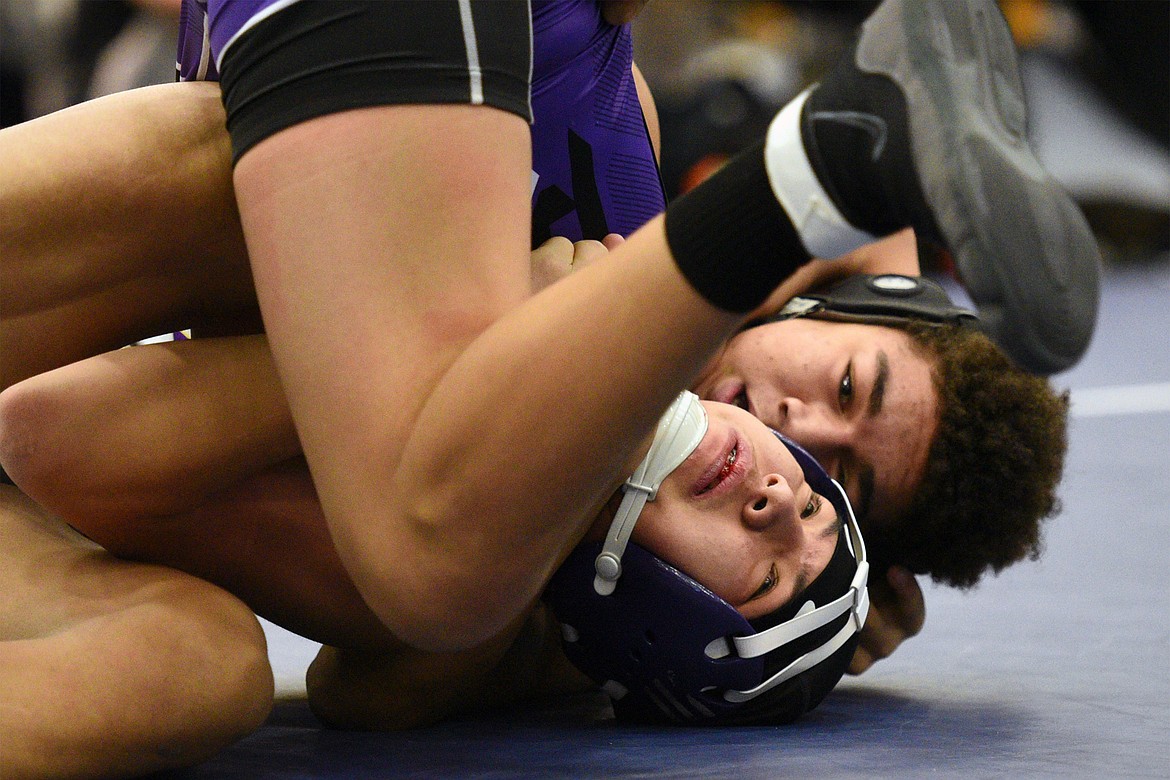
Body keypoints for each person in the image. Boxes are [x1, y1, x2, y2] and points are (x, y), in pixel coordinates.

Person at [0, 0, 1077, 670]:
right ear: (829, 299)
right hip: (349, 53)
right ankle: (827, 161)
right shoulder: (625, 210)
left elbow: (375, 692)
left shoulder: (537, 478)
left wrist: (688, 637)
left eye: (834, 483)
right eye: (845, 388)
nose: (793, 440)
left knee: (232, 662)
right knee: (438, 579)